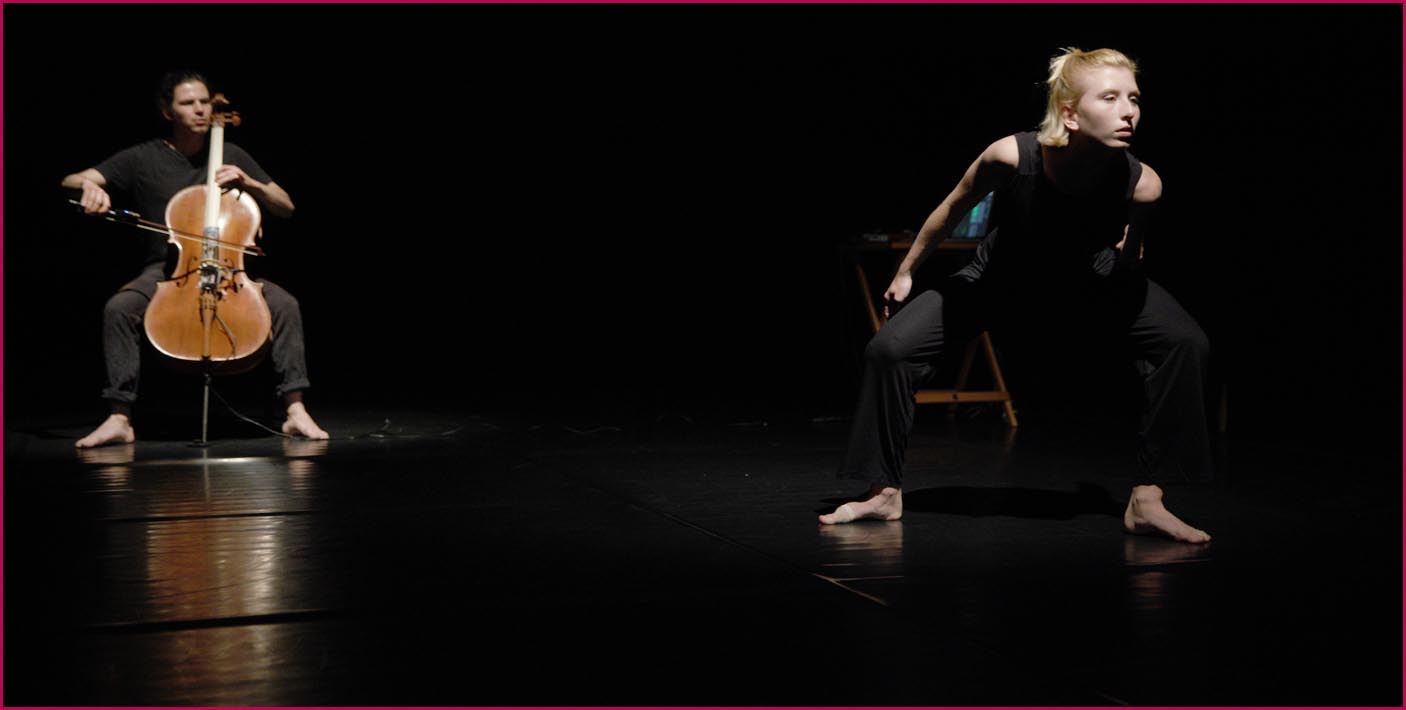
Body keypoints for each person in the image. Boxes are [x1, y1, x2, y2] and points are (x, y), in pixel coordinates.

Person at [820, 48, 1212, 544]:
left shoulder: (1144, 184)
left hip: (1088, 281)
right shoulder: (1011, 156)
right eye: (1110, 98)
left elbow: (1131, 258)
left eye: (1133, 98)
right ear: (1070, 114)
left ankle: (1148, 499)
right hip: (999, 278)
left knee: (1185, 343)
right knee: (890, 350)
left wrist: (1130, 252)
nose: (1128, 111)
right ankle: (882, 492)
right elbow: (951, 208)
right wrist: (906, 271)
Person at [63, 70, 329, 447]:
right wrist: (90, 186)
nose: (201, 109)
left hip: (231, 269)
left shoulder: (231, 155)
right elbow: (70, 180)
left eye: (204, 102)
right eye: (188, 103)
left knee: (286, 305)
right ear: (168, 112)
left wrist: (250, 183)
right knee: (119, 308)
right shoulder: (142, 157)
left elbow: (285, 206)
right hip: (168, 270)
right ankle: (119, 417)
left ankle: (296, 411)